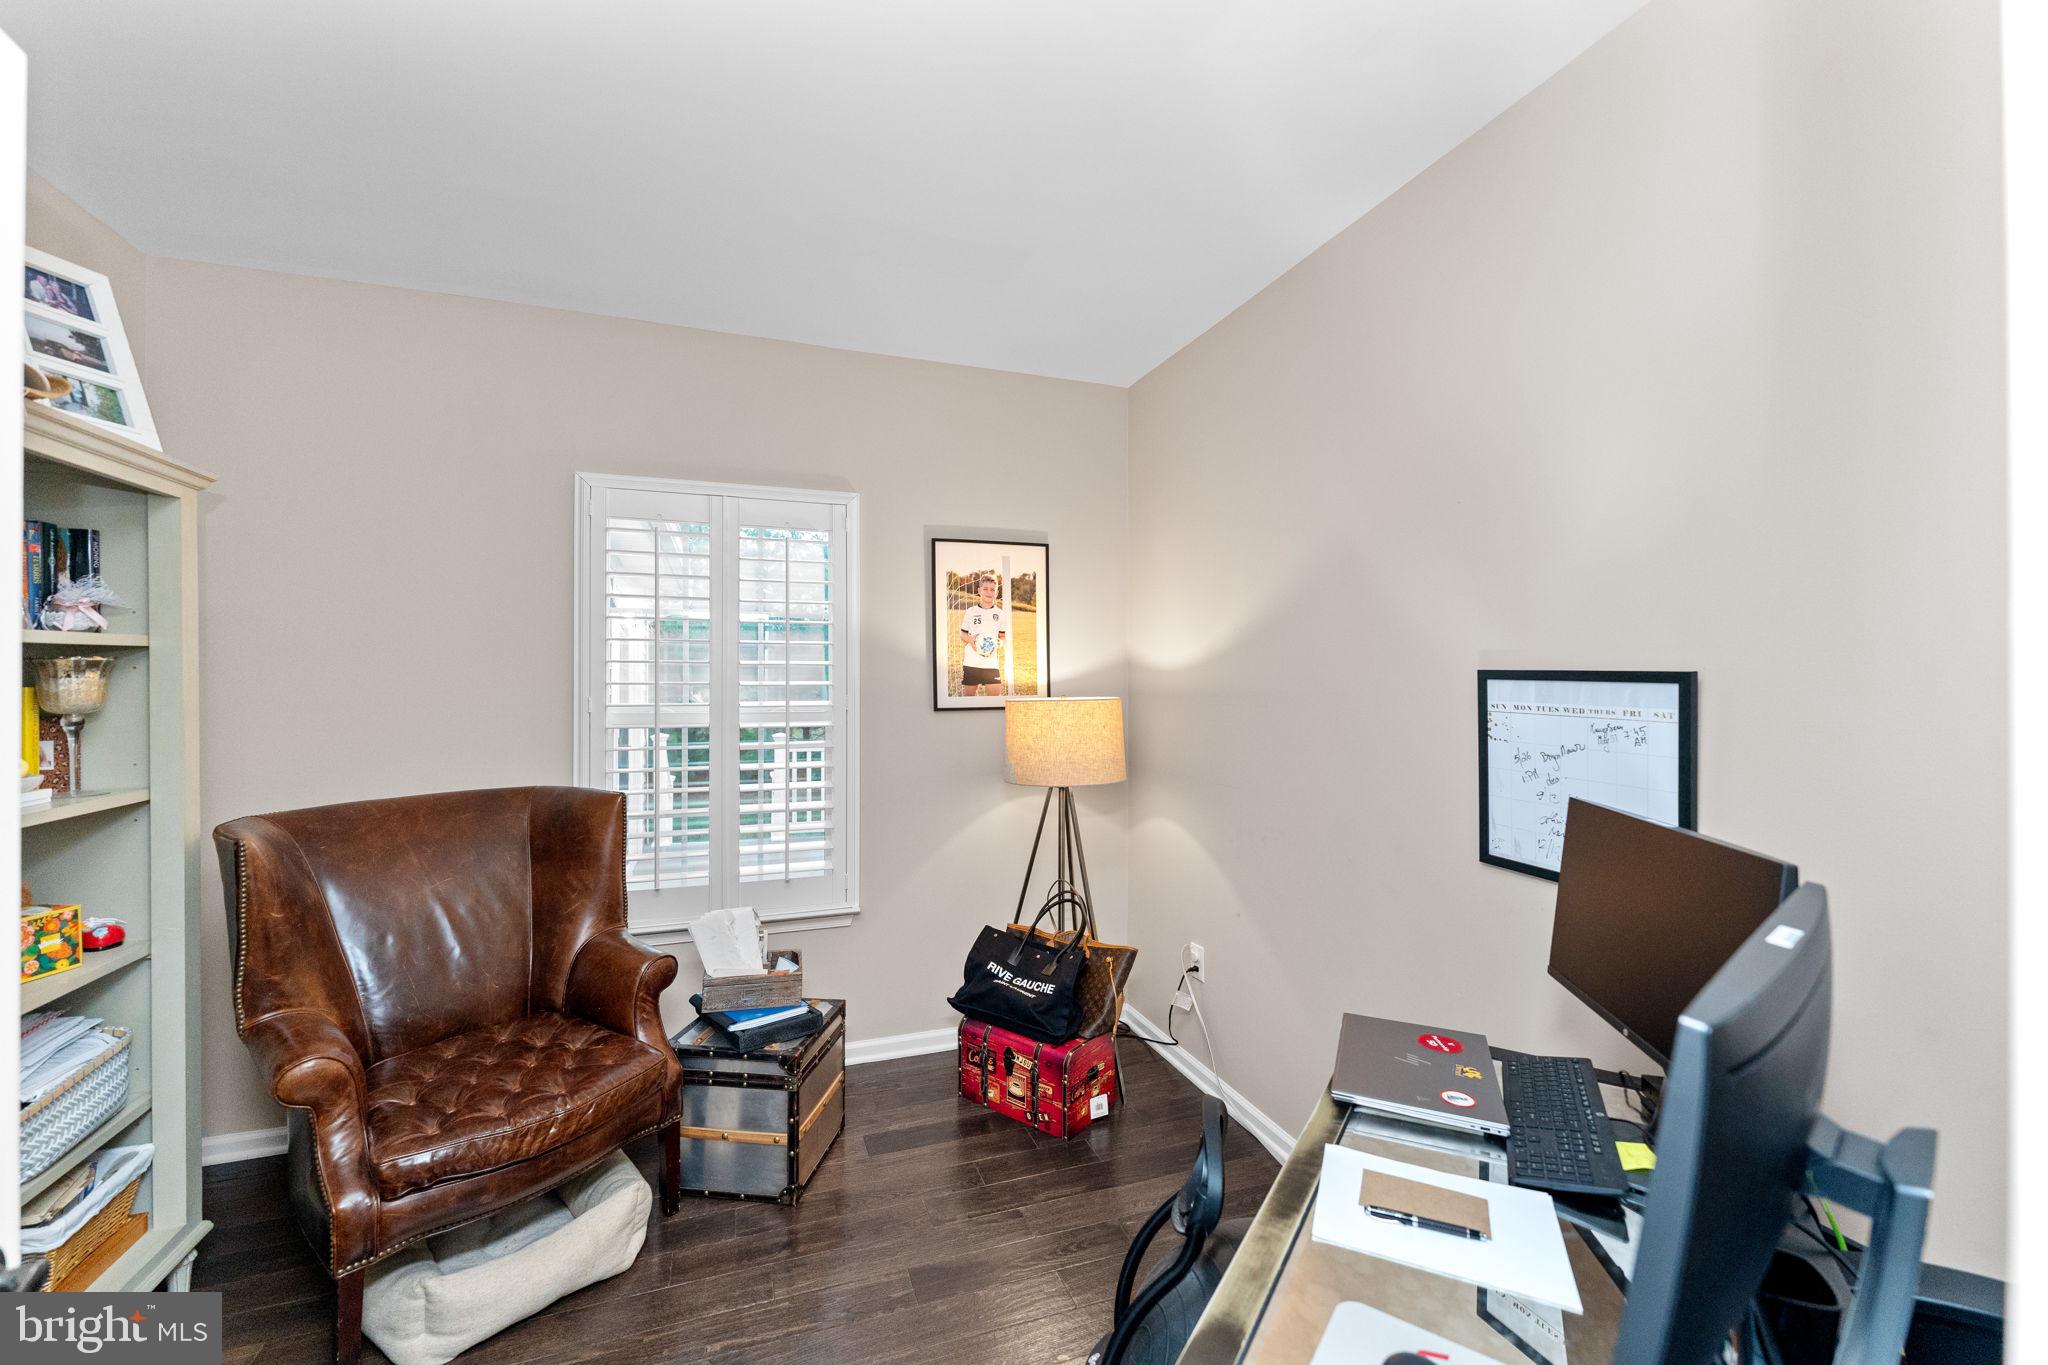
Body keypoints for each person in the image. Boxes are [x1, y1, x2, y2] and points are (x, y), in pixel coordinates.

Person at [956, 572, 1008, 697]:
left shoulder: (1001, 614)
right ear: (979, 590)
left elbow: (1002, 638)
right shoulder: (971, 611)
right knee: (969, 701)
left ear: (996, 592)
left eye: (992, 590)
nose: (989, 592)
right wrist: (970, 640)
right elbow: (962, 634)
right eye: (985, 589)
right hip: (971, 662)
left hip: (991, 663)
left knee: (995, 700)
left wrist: (1000, 643)